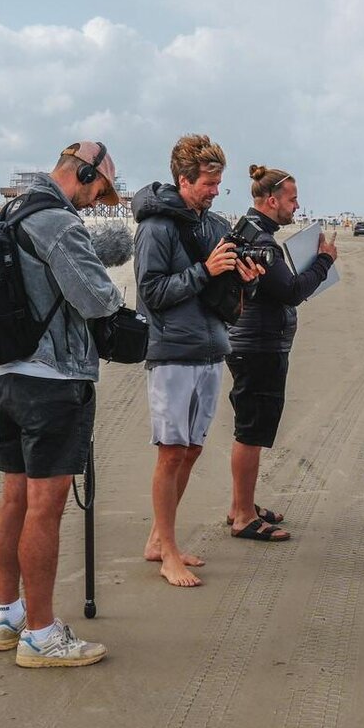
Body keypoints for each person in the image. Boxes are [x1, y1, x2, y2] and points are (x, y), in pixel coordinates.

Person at [0, 142, 124, 667]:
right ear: (83, 173)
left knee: (14, 500)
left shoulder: (13, 210)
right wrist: (118, 305)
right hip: (55, 379)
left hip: (11, 376)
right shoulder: (56, 221)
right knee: (46, 508)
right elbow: (94, 299)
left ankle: (8, 616)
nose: (96, 200)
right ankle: (41, 635)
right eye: (97, 189)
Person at [132, 134, 260, 587]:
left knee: (191, 449)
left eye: (218, 183)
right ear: (183, 180)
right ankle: (167, 552)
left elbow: (219, 291)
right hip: (171, 350)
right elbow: (151, 294)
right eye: (208, 182)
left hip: (210, 346)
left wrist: (243, 280)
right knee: (170, 453)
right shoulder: (155, 228)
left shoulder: (214, 223)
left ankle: (158, 539)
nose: (214, 190)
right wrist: (205, 270)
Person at [225, 165, 337, 541]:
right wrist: (324, 261)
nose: (297, 205)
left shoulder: (249, 231)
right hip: (257, 345)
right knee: (251, 431)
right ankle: (242, 515)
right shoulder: (260, 240)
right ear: (271, 201)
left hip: (251, 342)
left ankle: (242, 503)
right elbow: (290, 291)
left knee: (252, 427)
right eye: (292, 199)